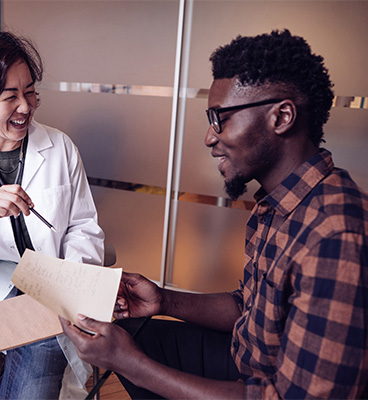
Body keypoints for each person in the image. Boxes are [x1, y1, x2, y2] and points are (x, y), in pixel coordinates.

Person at [61, 29, 368, 399]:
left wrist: (131, 365)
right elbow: (248, 305)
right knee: (134, 334)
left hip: (273, 389)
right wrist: (163, 301)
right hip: (246, 361)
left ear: (282, 116)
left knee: (132, 358)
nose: (209, 136)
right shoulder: (277, 203)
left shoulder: (336, 237)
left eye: (220, 117)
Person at [0, 30, 105, 399]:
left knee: (39, 366)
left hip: (43, 291)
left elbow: (83, 226)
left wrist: (71, 284)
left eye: (30, 92)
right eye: (9, 96)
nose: (25, 107)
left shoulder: (59, 147)